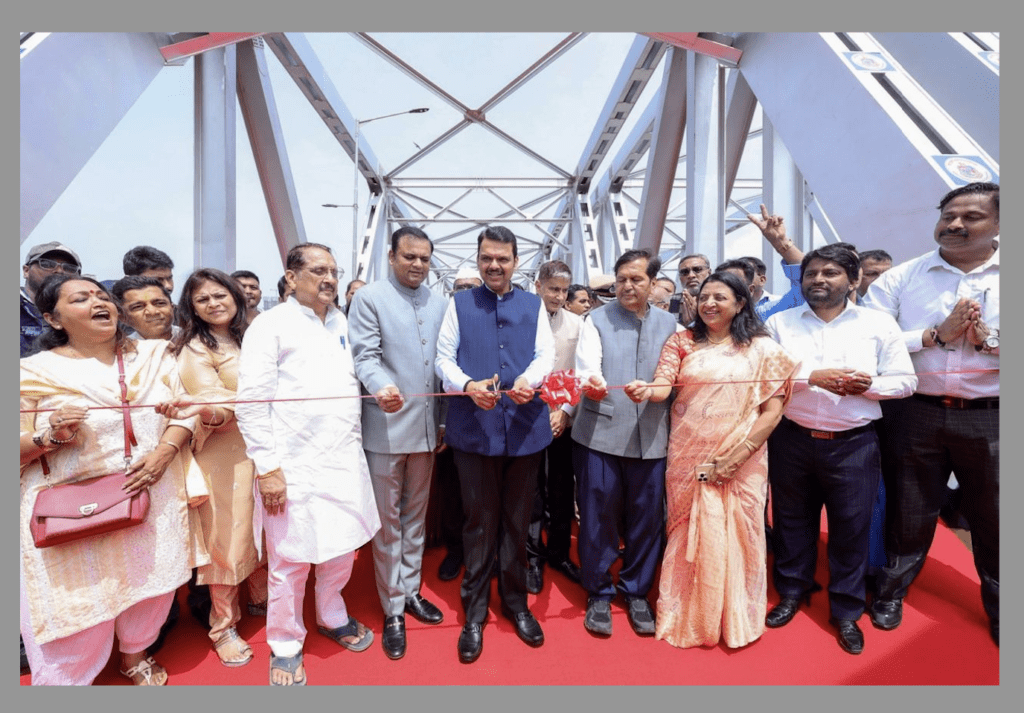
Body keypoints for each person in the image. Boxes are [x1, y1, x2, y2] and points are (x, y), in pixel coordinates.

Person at [20, 274, 208, 685]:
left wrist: (165, 452)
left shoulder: (155, 355)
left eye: (101, 295)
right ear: (53, 319)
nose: (98, 302)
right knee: (77, 604)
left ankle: (135, 654)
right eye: (81, 298)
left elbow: (186, 411)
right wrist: (50, 435)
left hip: (151, 492)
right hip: (69, 510)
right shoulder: (30, 372)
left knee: (151, 586)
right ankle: (65, 681)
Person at [235, 243, 381, 685]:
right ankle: (285, 643)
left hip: (344, 458)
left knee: (342, 547)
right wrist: (268, 469)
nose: (330, 279)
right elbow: (250, 404)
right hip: (291, 466)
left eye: (334, 271)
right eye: (319, 270)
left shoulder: (343, 322)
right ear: (291, 277)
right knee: (290, 559)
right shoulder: (270, 325)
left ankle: (331, 615)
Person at [863, 182, 1000, 646]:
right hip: (914, 412)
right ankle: (890, 594)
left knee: (996, 516)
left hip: (993, 415)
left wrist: (990, 341)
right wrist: (933, 336)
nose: (955, 225)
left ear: (1000, 223)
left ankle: (1002, 608)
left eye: (971, 217)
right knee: (909, 509)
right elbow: (871, 340)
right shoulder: (902, 277)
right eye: (948, 216)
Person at [632, 270, 799, 649]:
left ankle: (734, 616)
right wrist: (646, 390)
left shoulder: (763, 349)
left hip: (744, 457)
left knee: (740, 531)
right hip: (688, 455)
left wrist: (736, 457)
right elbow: (663, 385)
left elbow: (773, 411)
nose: (709, 304)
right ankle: (688, 615)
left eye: (719, 297)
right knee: (685, 529)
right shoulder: (682, 341)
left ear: (740, 303)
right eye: (704, 297)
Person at [763, 245, 916, 655]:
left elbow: (906, 381)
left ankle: (847, 610)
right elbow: (763, 377)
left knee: (851, 528)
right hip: (793, 438)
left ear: (853, 280)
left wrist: (869, 386)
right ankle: (792, 592)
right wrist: (812, 377)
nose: (818, 279)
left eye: (830, 272)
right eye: (811, 273)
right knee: (792, 521)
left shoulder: (878, 324)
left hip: (853, 443)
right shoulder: (779, 323)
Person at [435, 225, 554, 663]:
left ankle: (517, 604)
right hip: (474, 430)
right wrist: (466, 385)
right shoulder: (459, 303)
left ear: (516, 261)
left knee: (517, 522)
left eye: (502, 258)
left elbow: (545, 355)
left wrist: (529, 380)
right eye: (486, 258)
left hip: (525, 429)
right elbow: (443, 357)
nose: (494, 265)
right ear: (478, 259)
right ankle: (474, 613)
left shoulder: (534, 304)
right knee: (479, 522)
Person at [348, 227, 448, 660]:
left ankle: (410, 591)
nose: (417, 265)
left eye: (424, 258)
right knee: (388, 523)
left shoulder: (441, 303)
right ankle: (392, 608)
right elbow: (364, 356)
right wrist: (381, 386)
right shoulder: (369, 299)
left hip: (426, 431)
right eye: (409, 256)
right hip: (385, 428)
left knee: (415, 517)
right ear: (391, 256)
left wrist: (442, 422)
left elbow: (444, 366)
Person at [571, 249, 678, 638]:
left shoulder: (673, 325)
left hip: (653, 436)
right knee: (597, 517)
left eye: (636, 279)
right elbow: (587, 367)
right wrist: (594, 383)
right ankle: (598, 592)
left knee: (646, 519)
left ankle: (636, 591)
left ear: (653, 283)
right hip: (599, 434)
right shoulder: (595, 319)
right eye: (621, 280)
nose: (627, 286)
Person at [170, 268, 268, 667]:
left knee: (264, 527)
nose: (213, 304)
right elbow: (209, 401)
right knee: (227, 535)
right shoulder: (195, 347)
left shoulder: (253, 336)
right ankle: (223, 626)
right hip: (225, 450)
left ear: (235, 296)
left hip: (267, 447)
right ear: (192, 308)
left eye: (219, 295)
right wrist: (248, 401)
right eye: (203, 299)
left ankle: (261, 598)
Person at [526, 260, 583, 594]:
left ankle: (559, 554)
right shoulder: (522, 319)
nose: (559, 296)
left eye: (564, 290)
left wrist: (564, 411)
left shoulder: (578, 324)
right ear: (538, 286)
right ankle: (533, 558)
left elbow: (580, 371)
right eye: (553, 289)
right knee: (531, 494)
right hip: (527, 420)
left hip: (563, 419)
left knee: (561, 492)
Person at [435, 267, 483, 582]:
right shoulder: (444, 320)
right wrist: (441, 424)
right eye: (458, 287)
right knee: (452, 492)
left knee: (483, 496)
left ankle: (482, 553)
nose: (463, 292)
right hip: (451, 423)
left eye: (470, 287)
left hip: (486, 423)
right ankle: (455, 550)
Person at [21, 242, 83, 357]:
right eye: (47, 264)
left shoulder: (88, 313)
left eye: (69, 268)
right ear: (26, 271)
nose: (59, 271)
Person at [745, 204, 806, 321]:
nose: (738, 282)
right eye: (730, 279)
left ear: (762, 279)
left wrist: (782, 244)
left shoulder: (762, 314)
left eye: (746, 274)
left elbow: (804, 288)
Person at [112, 276, 178, 341]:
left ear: (172, 307)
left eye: (160, 303)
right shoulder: (123, 347)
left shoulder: (184, 337)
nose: (152, 312)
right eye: (138, 307)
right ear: (123, 318)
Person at [672, 254, 710, 326]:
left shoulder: (719, 301)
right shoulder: (671, 303)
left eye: (697, 270)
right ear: (680, 277)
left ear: (709, 272)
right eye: (684, 272)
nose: (691, 275)